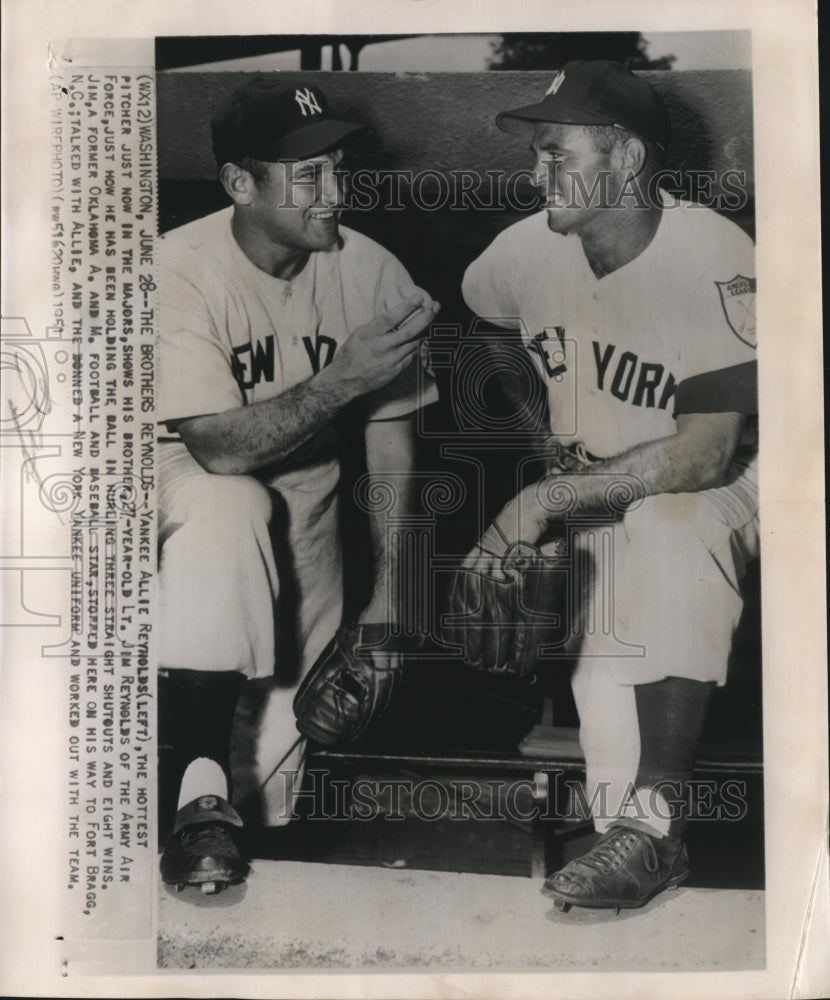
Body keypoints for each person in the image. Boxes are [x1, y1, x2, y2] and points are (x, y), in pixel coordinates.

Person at [461, 61, 758, 910]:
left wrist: (541, 499)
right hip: (602, 478)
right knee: (605, 715)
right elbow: (485, 325)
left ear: (626, 158)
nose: (536, 173)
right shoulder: (524, 250)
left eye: (557, 153)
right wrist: (541, 442)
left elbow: (702, 456)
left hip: (731, 475)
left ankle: (659, 824)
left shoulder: (714, 253)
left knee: (670, 527)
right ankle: (632, 851)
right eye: (536, 154)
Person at [156, 78, 439, 891]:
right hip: (180, 507)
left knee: (267, 808)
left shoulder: (372, 271)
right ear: (239, 183)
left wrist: (391, 598)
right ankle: (196, 782)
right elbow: (217, 449)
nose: (335, 193)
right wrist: (344, 378)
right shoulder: (175, 269)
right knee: (229, 505)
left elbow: (391, 448)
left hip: (309, 527)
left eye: (338, 169)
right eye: (308, 175)